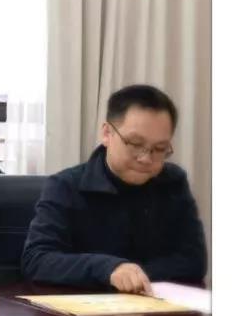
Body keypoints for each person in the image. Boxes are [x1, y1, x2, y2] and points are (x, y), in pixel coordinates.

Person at [21, 84, 207, 294]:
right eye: (135, 144)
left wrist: (134, 276)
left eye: (160, 149)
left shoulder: (173, 183)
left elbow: (194, 261)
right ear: (107, 133)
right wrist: (108, 269)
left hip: (156, 306)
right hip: (85, 309)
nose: (146, 158)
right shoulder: (65, 186)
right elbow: (37, 260)